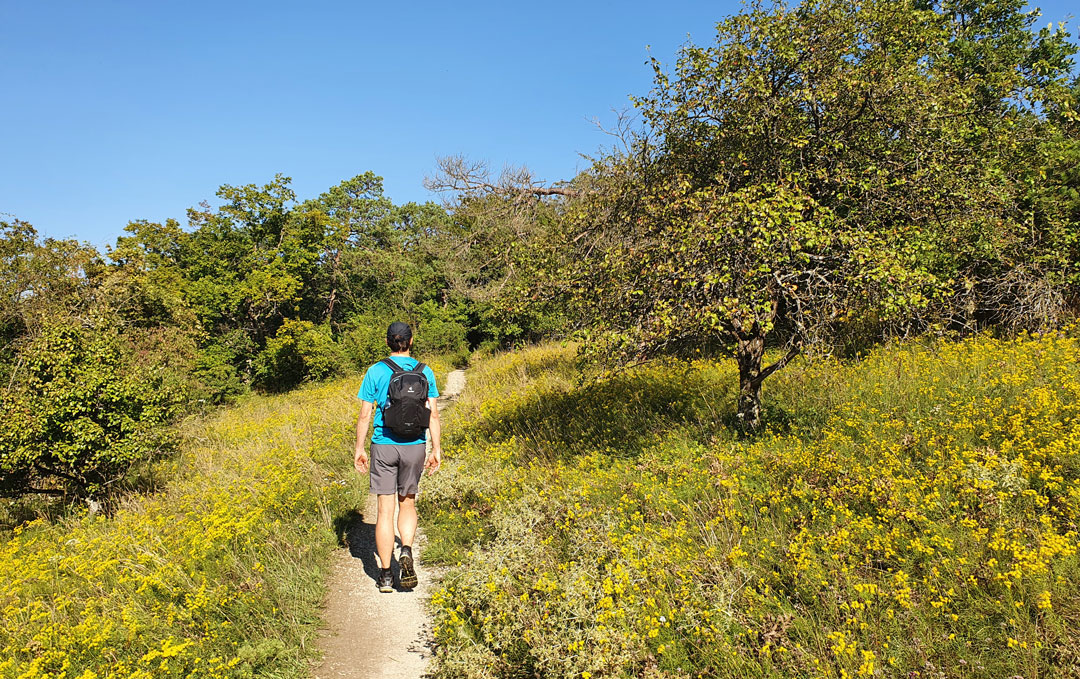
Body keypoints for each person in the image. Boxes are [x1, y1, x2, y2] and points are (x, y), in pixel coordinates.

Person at [354, 321, 442, 592]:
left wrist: (359, 448)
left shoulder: (376, 371)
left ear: (387, 343)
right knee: (408, 504)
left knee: (384, 511)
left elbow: (365, 414)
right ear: (410, 341)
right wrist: (436, 449)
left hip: (383, 445)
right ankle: (404, 548)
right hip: (414, 444)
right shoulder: (425, 371)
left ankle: (386, 576)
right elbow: (434, 414)